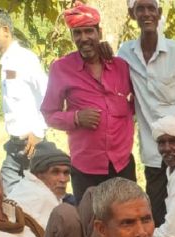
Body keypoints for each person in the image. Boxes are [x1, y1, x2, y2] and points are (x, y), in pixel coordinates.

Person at [118, 0, 175, 227]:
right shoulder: (125, 53)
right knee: (158, 216)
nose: (146, 13)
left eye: (151, 8)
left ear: (159, 13)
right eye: (140, 9)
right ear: (132, 14)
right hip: (153, 153)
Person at [41, 2, 136, 203]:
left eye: (88, 31)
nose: (83, 38)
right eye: (77, 33)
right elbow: (49, 114)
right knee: (91, 225)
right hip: (86, 168)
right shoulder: (61, 69)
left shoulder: (120, 66)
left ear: (99, 32)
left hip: (122, 164)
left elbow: (139, 101)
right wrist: (75, 117)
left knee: (127, 220)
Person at [0, 12, 48, 194]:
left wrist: (38, 131)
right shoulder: (6, 61)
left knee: (37, 200)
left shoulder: (25, 59)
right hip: (14, 146)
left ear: (5, 30)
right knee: (7, 197)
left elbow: (48, 94)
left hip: (32, 146)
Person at [8, 142, 71, 229]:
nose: (63, 179)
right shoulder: (42, 197)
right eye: (55, 172)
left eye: (66, 173)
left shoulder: (25, 185)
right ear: (39, 174)